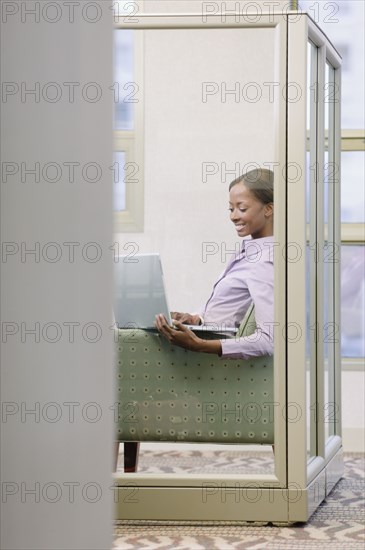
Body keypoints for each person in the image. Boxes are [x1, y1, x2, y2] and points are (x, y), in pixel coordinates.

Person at [155, 168, 274, 360]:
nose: (233, 216)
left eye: (242, 208)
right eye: (231, 208)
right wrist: (196, 319)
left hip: (213, 360)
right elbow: (230, 309)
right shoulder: (251, 253)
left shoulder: (266, 260)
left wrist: (199, 345)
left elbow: (268, 340)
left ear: (268, 209)